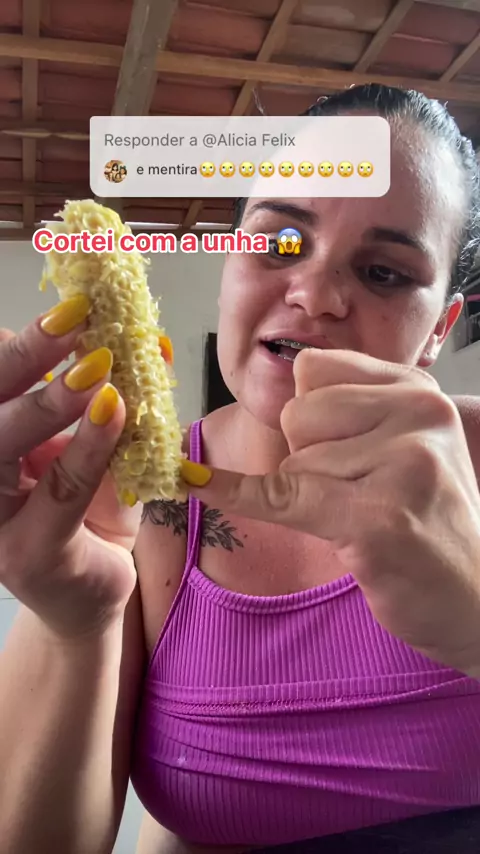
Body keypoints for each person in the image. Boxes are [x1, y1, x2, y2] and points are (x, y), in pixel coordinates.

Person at [1, 83, 480, 854]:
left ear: (438, 330)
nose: (315, 295)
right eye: (281, 241)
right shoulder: (135, 501)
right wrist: (74, 621)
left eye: (384, 273)